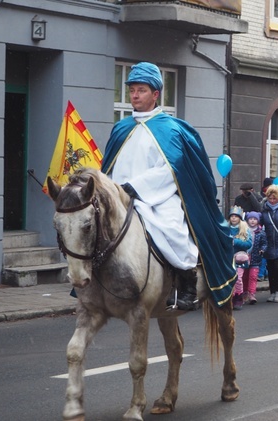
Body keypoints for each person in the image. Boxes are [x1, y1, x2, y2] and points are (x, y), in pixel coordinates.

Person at [101, 62, 235, 311]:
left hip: (158, 197)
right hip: (121, 196)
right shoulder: (121, 128)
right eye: (131, 91)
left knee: (173, 229)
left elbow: (170, 171)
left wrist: (136, 187)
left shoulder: (171, 129)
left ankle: (187, 284)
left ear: (155, 94)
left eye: (141, 90)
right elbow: (110, 167)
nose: (134, 95)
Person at [228, 206, 252, 310]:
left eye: (236, 216)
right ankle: (229, 298)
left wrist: (235, 241)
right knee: (228, 279)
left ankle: (238, 297)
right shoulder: (225, 228)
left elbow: (248, 243)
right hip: (227, 258)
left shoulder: (245, 229)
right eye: (232, 216)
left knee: (238, 278)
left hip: (239, 259)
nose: (233, 218)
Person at [243, 211, 266, 304]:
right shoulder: (243, 230)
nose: (252, 221)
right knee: (244, 277)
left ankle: (252, 294)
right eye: (250, 219)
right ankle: (244, 293)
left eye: (255, 219)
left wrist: (262, 249)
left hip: (256, 258)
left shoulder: (261, 232)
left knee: (253, 276)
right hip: (244, 257)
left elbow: (264, 243)